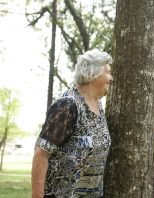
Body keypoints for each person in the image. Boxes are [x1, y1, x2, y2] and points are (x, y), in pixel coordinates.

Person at [31, 49, 113, 198]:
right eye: (107, 72)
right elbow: (40, 154)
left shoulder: (98, 106)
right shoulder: (68, 105)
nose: (111, 78)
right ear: (92, 73)